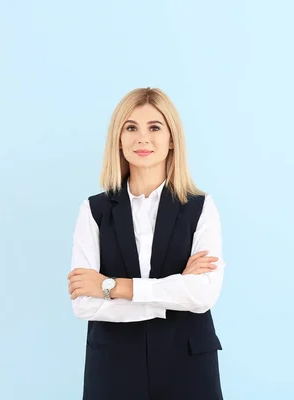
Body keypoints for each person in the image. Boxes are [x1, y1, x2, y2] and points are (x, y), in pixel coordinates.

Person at [67, 87, 225, 400]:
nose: (142, 138)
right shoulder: (94, 210)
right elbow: (84, 302)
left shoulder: (200, 207)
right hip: (113, 365)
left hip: (188, 364)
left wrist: (113, 287)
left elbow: (204, 294)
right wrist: (173, 292)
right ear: (118, 138)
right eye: (131, 128)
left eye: (154, 127)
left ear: (171, 139)